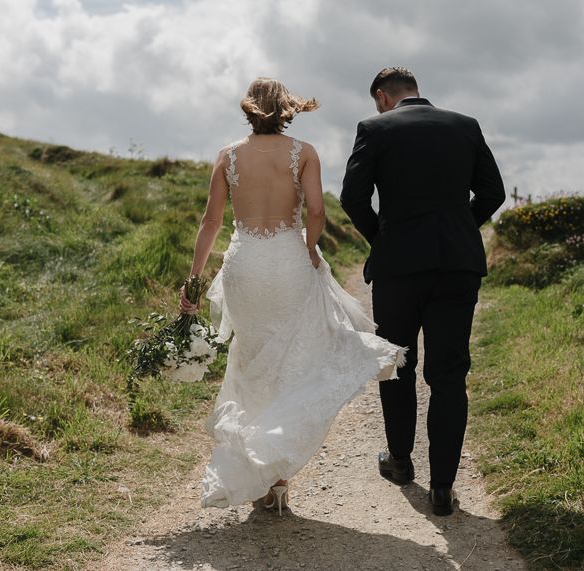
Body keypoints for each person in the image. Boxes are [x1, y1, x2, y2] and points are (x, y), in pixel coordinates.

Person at [180, 77, 405, 515]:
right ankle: (277, 474)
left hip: (244, 266)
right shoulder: (304, 153)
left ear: (249, 109)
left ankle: (266, 473)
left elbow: (210, 222)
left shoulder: (228, 155)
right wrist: (309, 250)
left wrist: (192, 278)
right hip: (288, 263)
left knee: (250, 362)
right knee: (291, 364)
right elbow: (317, 211)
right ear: (287, 109)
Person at [340, 67, 506, 516]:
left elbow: (352, 198)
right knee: (449, 374)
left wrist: (386, 240)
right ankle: (443, 487)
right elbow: (494, 191)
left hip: (398, 269)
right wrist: (459, 230)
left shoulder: (374, 128)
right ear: (416, 91)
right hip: (457, 266)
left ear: (382, 96)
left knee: (398, 364)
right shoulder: (464, 125)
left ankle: (399, 462)